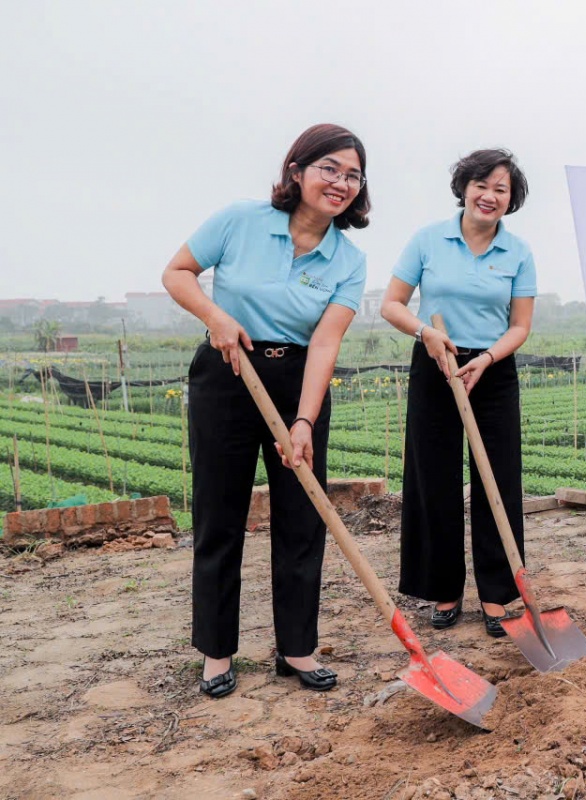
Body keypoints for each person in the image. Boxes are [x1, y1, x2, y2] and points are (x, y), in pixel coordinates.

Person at [162, 124, 369, 697]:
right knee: (219, 514)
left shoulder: (348, 260)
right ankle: (216, 652)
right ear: (297, 170)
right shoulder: (240, 220)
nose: (341, 182)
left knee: (303, 519)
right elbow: (177, 272)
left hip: (297, 381)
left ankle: (297, 649)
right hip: (226, 373)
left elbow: (326, 343)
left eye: (352, 174)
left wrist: (303, 420)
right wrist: (216, 317)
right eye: (329, 167)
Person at [381, 149, 536, 638]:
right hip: (435, 363)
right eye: (481, 185)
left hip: (491, 370)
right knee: (434, 480)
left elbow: (520, 326)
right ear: (463, 187)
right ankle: (443, 591)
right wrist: (425, 333)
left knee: (498, 480)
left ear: (511, 200)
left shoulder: (518, 252)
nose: (489, 196)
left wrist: (488, 357)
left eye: (501, 189)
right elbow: (392, 304)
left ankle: (497, 594)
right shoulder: (428, 240)